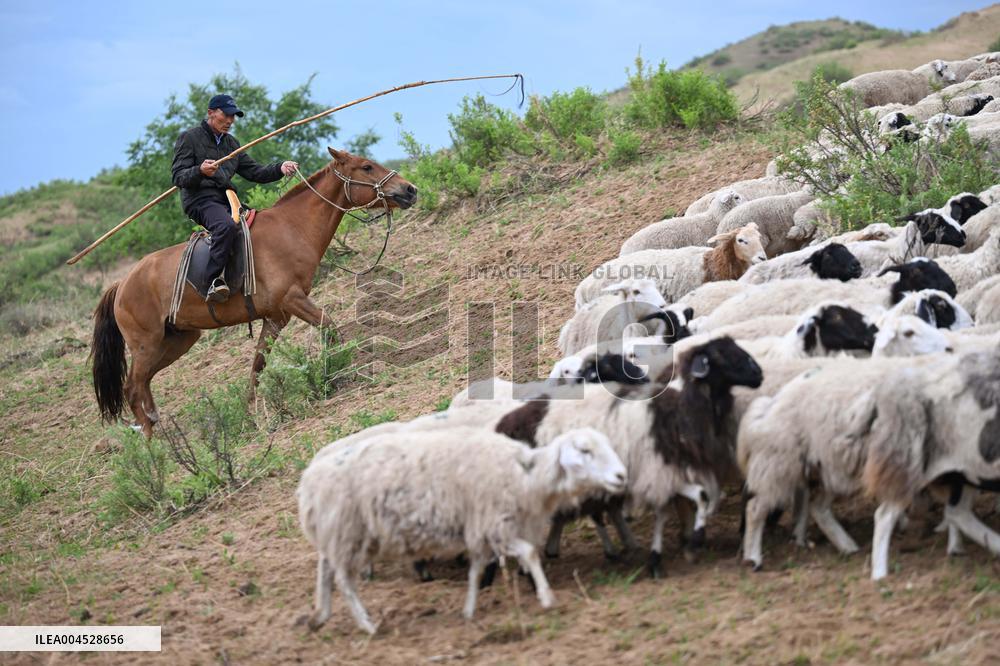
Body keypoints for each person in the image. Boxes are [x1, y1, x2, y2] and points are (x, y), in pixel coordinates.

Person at [171, 94, 298, 302]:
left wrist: (280, 168)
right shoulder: (190, 138)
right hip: (199, 200)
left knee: (260, 225)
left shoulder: (232, 144)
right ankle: (212, 281)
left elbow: (256, 172)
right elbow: (178, 177)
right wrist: (199, 171)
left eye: (233, 116)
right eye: (226, 115)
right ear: (211, 113)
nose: (230, 121)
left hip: (228, 201)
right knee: (225, 227)